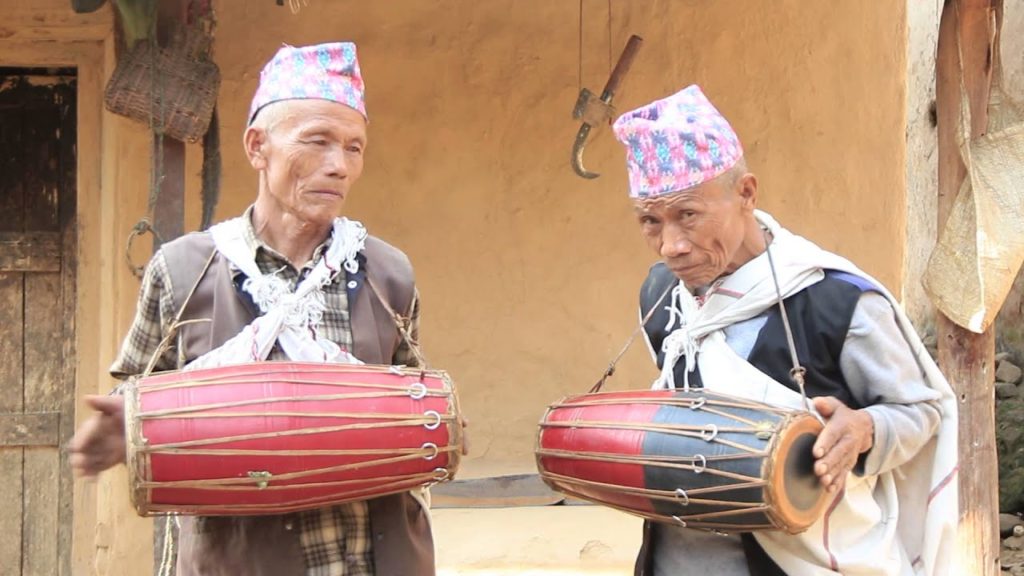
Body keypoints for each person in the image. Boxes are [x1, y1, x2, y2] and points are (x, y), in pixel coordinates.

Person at [70, 42, 438, 576]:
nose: (339, 166)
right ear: (257, 146)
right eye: (317, 141)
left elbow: (411, 399)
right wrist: (128, 426)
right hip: (242, 561)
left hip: (378, 559)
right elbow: (136, 393)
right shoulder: (184, 270)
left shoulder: (386, 273)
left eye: (354, 147)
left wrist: (438, 428)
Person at [611, 85, 959, 575]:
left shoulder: (836, 302)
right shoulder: (660, 296)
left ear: (746, 193)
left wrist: (863, 429)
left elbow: (920, 412)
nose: (670, 246)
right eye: (650, 220)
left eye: (688, 215)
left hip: (810, 557)